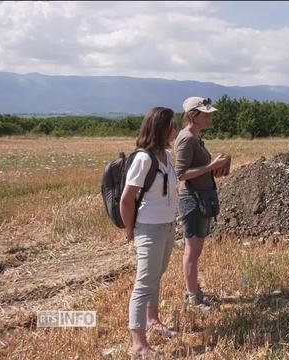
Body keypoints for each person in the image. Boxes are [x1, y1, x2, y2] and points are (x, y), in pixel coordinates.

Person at [120, 107, 179, 357]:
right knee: (144, 283)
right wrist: (130, 230)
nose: (176, 130)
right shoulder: (143, 159)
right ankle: (139, 344)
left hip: (167, 226)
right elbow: (126, 198)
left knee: (156, 276)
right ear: (162, 128)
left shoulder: (166, 155)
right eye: (173, 126)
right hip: (149, 227)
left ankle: (153, 320)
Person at [174, 97, 231, 311]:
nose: (209, 117)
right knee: (192, 249)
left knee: (195, 250)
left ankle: (193, 290)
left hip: (201, 197)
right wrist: (211, 166)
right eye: (205, 114)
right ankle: (193, 297)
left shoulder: (195, 137)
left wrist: (212, 167)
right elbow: (181, 174)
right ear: (191, 116)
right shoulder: (187, 139)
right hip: (193, 198)